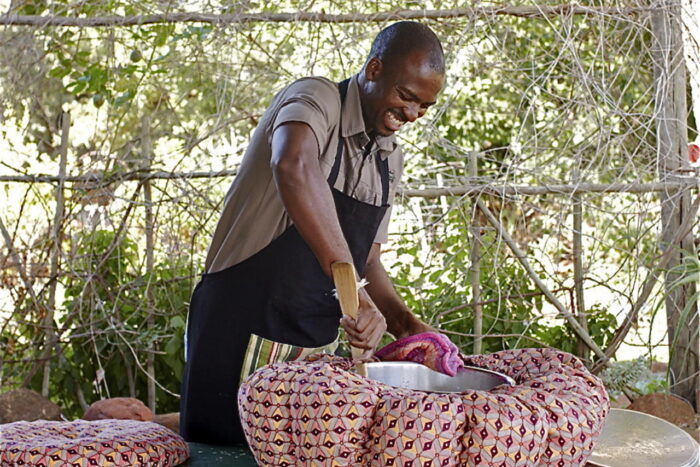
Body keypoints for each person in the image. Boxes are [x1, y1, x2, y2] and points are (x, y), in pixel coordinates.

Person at [180, 21, 446, 445]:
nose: (411, 115)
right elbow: (294, 168)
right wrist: (352, 293)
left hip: (312, 355)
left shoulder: (388, 158)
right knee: (223, 455)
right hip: (238, 326)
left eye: (425, 107)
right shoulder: (317, 98)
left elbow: (368, 261)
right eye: (406, 97)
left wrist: (407, 326)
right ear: (374, 70)